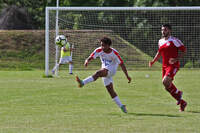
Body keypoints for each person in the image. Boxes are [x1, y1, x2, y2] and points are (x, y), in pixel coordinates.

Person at [76, 37, 131, 113]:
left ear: (109, 45)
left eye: (104, 45)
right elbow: (91, 56)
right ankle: (122, 106)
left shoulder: (114, 53)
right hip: (104, 70)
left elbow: (122, 64)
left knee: (98, 73)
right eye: (101, 45)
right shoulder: (99, 50)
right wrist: (87, 60)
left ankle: (82, 82)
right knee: (111, 91)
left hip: (111, 70)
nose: (102, 47)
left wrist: (127, 76)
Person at [149, 24, 187, 112]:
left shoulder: (175, 40)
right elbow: (159, 53)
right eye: (162, 30)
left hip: (173, 65)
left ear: (169, 30)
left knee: (165, 81)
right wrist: (153, 61)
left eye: (165, 30)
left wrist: (176, 59)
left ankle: (178, 93)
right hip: (164, 66)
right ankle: (182, 102)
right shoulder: (160, 41)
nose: (163, 31)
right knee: (167, 87)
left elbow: (184, 50)